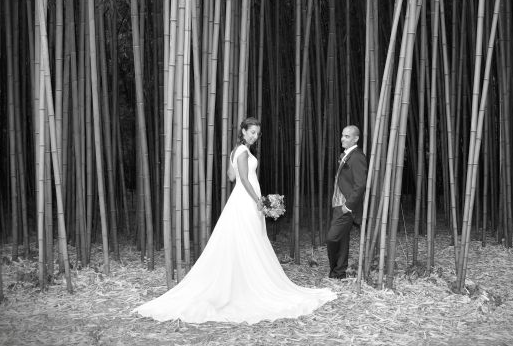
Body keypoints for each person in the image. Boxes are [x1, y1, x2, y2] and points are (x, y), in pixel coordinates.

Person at [134, 117, 336, 324]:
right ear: (243, 130)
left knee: (249, 239)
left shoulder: (238, 151)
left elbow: (231, 176)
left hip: (244, 197)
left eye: (257, 133)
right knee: (249, 238)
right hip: (246, 199)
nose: (255, 136)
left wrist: (250, 186)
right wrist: (259, 200)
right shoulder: (241, 151)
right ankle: (247, 285)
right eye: (251, 132)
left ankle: (245, 281)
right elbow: (244, 179)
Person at [326, 125, 367, 280]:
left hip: (345, 206)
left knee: (332, 238)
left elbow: (360, 184)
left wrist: (348, 206)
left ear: (356, 139)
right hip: (338, 204)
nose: (343, 139)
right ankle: (338, 273)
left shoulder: (357, 157)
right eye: (343, 135)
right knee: (342, 240)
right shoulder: (346, 155)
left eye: (347, 136)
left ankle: (336, 270)